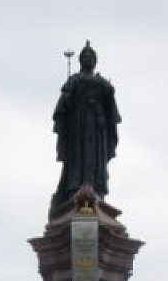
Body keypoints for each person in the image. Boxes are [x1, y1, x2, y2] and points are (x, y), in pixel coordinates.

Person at [51, 40, 120, 205]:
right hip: (78, 126)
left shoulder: (102, 84)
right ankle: (75, 188)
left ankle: (96, 187)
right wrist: (67, 98)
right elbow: (63, 105)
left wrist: (109, 93)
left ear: (95, 61)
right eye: (85, 57)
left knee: (96, 157)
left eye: (91, 57)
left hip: (97, 128)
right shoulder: (75, 80)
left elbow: (112, 111)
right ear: (80, 60)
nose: (88, 60)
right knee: (77, 156)